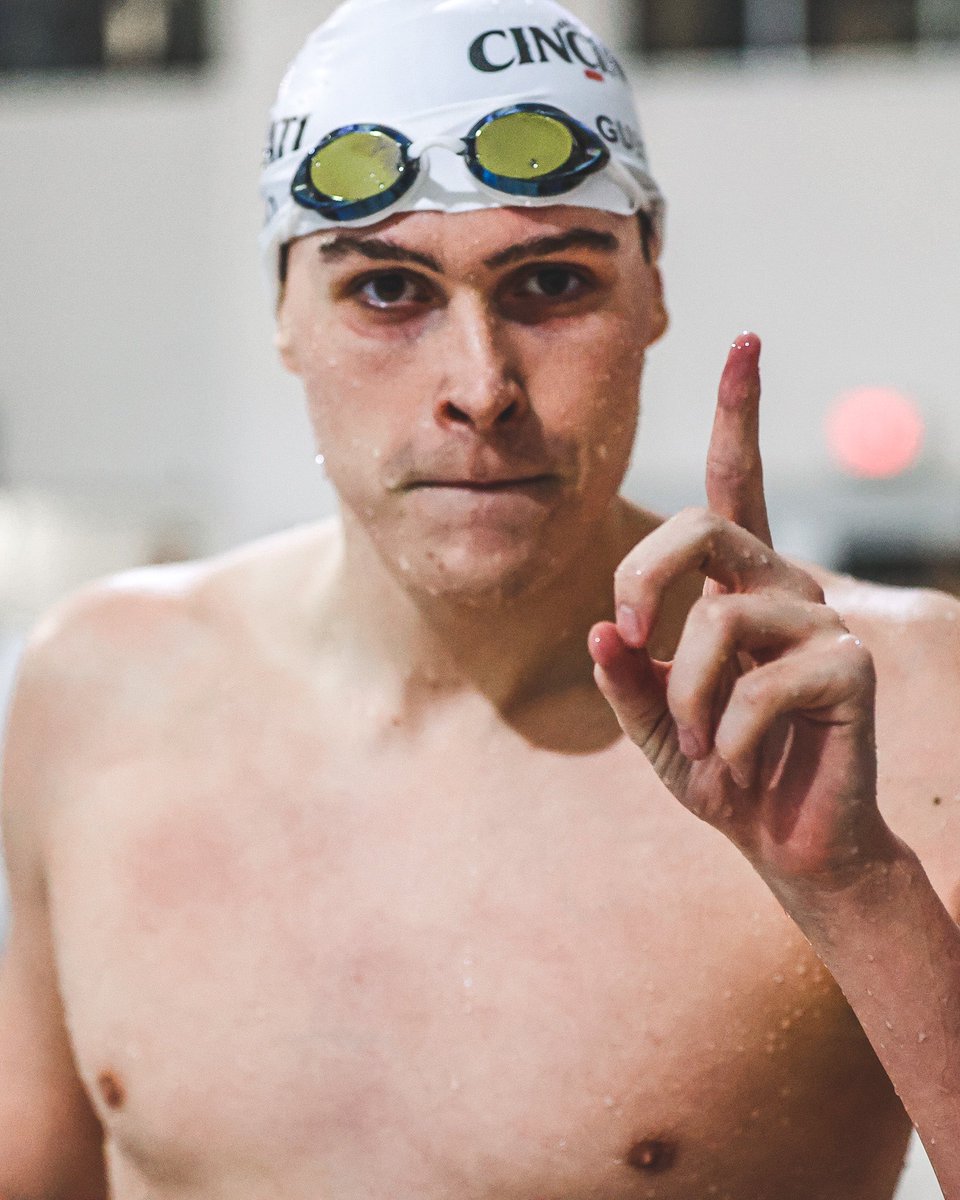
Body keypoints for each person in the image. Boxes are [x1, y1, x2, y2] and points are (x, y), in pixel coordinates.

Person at [1, 0, 958, 1196]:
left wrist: (863, 892)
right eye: (389, 293)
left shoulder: (902, 711)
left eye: (551, 281)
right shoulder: (95, 691)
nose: (480, 385)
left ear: (652, 297)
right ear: (284, 315)